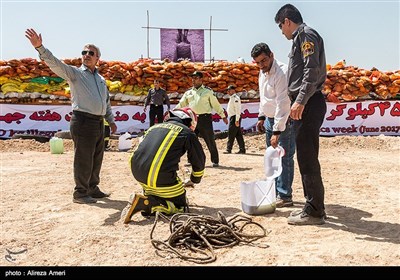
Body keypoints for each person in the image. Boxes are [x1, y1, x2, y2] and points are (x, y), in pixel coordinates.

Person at [25, 28, 117, 204]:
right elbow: (55, 64)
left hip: (98, 122)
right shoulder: (75, 74)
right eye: (84, 52)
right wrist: (40, 48)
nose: (86, 55)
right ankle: (80, 193)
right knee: (83, 157)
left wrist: (110, 121)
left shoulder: (101, 79)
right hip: (83, 121)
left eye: (91, 53)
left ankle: (92, 187)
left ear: (98, 58)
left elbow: (106, 102)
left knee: (97, 156)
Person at [275, 4, 327, 225]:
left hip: (308, 103)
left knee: (307, 157)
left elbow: (311, 70)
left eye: (280, 26)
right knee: (304, 157)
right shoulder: (299, 38)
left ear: (287, 21)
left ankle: (315, 211)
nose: (281, 31)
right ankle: (311, 205)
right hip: (305, 103)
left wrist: (300, 101)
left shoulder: (305, 34)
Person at [122, 107, 205, 223]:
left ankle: (149, 197)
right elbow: (199, 160)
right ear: (190, 121)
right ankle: (148, 204)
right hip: (158, 176)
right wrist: (195, 179)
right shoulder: (187, 132)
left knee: (159, 191)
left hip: (138, 174)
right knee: (181, 206)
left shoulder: (153, 128)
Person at [251, 42, 295, 208]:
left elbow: (282, 104)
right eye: (258, 62)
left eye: (264, 60)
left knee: (284, 158)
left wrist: (277, 131)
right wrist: (261, 116)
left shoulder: (282, 72)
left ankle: (285, 195)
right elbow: (264, 98)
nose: (261, 65)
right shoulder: (262, 73)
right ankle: (275, 192)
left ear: (271, 55)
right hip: (269, 120)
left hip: (283, 122)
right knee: (272, 159)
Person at [175, 71, 228, 167]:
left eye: (195, 78)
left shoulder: (207, 91)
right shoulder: (188, 92)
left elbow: (215, 105)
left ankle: (215, 161)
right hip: (192, 119)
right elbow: (181, 104)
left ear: (201, 79)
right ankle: (191, 160)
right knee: (191, 141)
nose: (193, 80)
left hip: (205, 119)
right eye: (192, 78)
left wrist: (222, 115)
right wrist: (174, 111)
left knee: (210, 140)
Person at [224, 85, 245, 154]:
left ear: (233, 90)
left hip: (235, 117)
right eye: (228, 90)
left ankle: (228, 149)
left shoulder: (235, 98)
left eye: (229, 90)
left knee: (231, 133)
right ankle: (242, 149)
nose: (228, 92)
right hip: (233, 117)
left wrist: (237, 120)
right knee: (238, 134)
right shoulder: (232, 98)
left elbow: (237, 110)